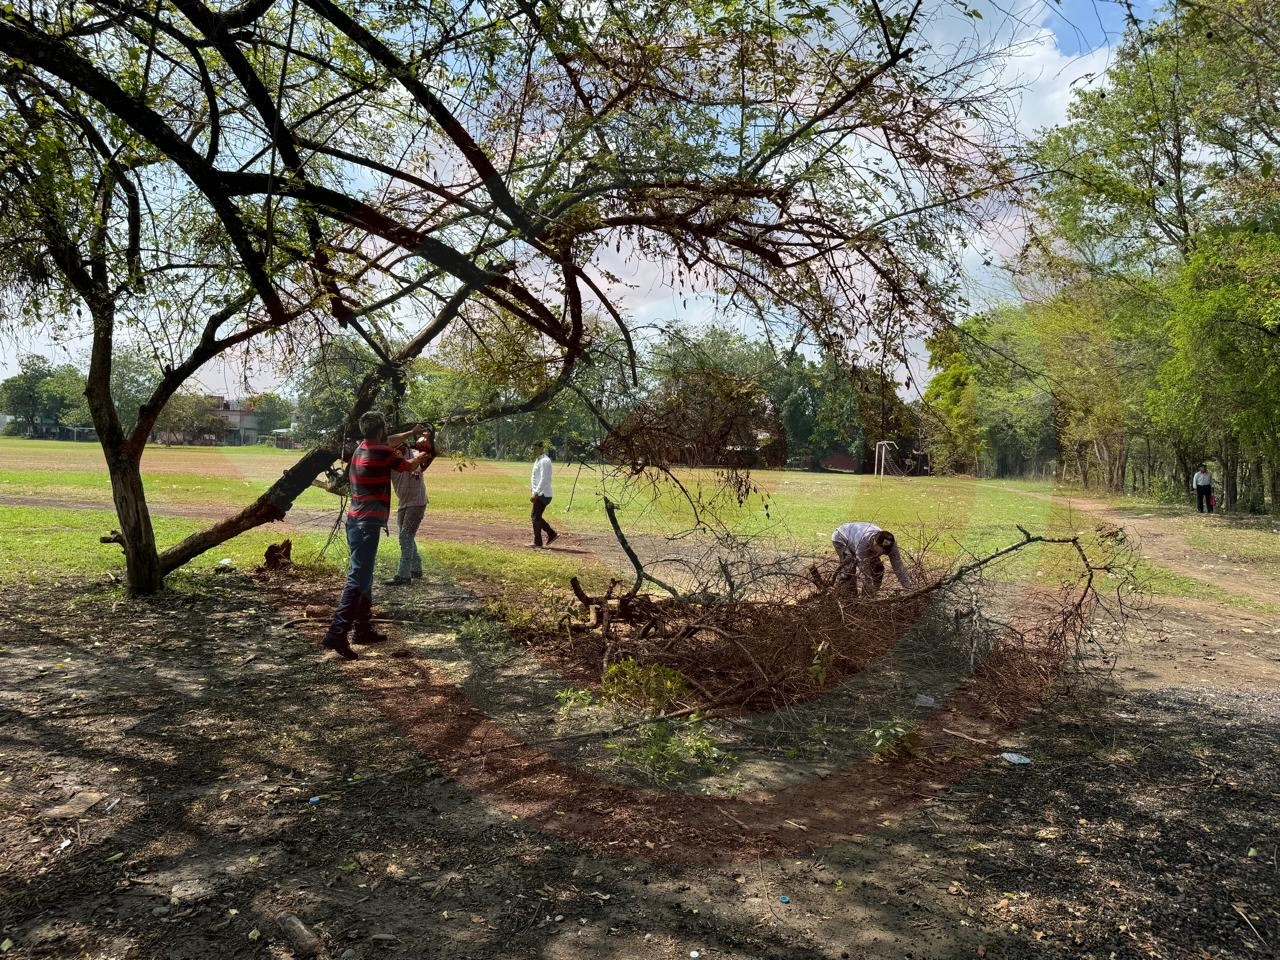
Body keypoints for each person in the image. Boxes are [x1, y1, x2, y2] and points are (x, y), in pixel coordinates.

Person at [321, 412, 430, 661]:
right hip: (367, 525)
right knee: (357, 579)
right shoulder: (383, 452)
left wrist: (412, 433)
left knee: (364, 576)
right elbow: (409, 466)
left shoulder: (362, 448)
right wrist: (425, 453)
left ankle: (362, 628)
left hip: (355, 521)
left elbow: (390, 441)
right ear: (381, 430)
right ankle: (337, 632)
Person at [386, 426, 436, 586]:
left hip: (417, 502)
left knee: (405, 537)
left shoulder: (415, 454)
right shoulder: (390, 458)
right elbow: (388, 443)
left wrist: (427, 449)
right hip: (404, 502)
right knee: (407, 536)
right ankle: (416, 568)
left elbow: (421, 462)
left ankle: (403, 575)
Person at [831, 521, 911, 597]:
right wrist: (869, 584)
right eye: (881, 551)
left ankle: (868, 598)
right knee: (849, 568)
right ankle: (847, 598)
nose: (882, 553)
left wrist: (908, 587)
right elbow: (864, 569)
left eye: (885, 552)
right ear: (874, 543)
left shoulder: (891, 545)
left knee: (878, 569)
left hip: (857, 540)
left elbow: (898, 566)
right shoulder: (863, 542)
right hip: (841, 537)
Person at [529, 441, 558, 548]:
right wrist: (533, 490)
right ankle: (551, 534)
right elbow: (535, 477)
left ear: (542, 448)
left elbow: (544, 479)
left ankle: (539, 541)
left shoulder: (544, 461)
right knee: (536, 516)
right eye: (533, 449)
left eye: (536, 448)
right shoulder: (538, 460)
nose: (534, 450)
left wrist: (536, 493)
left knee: (535, 517)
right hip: (540, 492)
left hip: (543, 493)